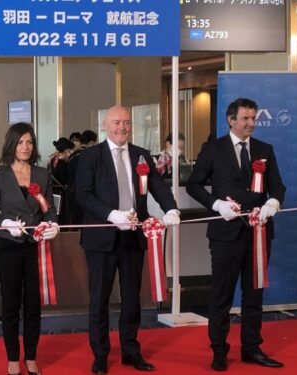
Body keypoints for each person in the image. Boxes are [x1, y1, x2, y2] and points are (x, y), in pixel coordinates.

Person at [75, 106, 180, 374]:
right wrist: (112, 215)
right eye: (116, 122)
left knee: (132, 299)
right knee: (99, 300)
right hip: (101, 240)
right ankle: (100, 354)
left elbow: (157, 186)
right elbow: (83, 196)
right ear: (105, 125)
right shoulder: (90, 156)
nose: (122, 127)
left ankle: (131, 351)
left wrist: (171, 209)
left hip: (134, 238)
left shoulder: (141, 155)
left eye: (126, 122)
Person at [186, 98, 286, 372]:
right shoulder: (213, 148)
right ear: (231, 120)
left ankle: (252, 349)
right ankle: (219, 351)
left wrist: (273, 203)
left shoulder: (265, 149)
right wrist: (216, 204)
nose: (251, 123)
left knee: (254, 295)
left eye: (254, 118)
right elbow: (195, 185)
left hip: (258, 232)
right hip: (225, 233)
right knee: (222, 295)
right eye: (246, 119)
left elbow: (278, 186)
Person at [0, 122, 60, 375]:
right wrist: (5, 224)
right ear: (11, 144)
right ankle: (13, 358)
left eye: (29, 142)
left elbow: (48, 208)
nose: (25, 147)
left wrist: (53, 224)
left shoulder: (42, 174)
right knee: (10, 305)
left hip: (35, 247)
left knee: (33, 306)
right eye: (20, 142)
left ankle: (32, 356)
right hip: (9, 246)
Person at [66, 129, 98, 226]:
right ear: (92, 142)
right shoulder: (89, 156)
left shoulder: (72, 155)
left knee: (74, 221)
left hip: (72, 191)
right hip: (86, 193)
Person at [47, 137, 75, 223]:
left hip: (54, 191)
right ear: (66, 150)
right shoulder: (63, 162)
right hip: (63, 191)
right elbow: (66, 179)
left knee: (56, 213)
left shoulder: (52, 159)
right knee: (63, 214)